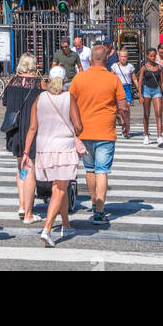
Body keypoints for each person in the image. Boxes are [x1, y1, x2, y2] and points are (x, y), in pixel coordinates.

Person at [69, 43, 129, 224]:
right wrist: (126, 123)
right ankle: (100, 212)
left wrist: (75, 125)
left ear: (89, 59)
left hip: (84, 131)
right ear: (105, 59)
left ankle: (95, 203)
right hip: (105, 131)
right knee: (102, 171)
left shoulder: (79, 79)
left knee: (90, 169)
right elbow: (123, 107)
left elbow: (70, 101)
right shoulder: (113, 79)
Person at [22, 73, 82, 246]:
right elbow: (78, 126)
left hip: (43, 148)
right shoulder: (68, 97)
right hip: (63, 148)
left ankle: (66, 224)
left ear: (48, 80)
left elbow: (32, 128)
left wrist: (26, 152)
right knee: (60, 188)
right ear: (64, 81)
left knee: (59, 186)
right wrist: (75, 132)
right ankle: (47, 229)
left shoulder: (40, 98)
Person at [1, 53, 43, 223]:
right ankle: (28, 213)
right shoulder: (40, 83)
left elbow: (5, 103)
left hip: (15, 128)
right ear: (33, 65)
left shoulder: (12, 82)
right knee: (30, 167)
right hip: (32, 128)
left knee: (21, 167)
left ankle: (21, 204)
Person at [137, 47, 163, 146]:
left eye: (154, 56)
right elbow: (140, 82)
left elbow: (162, 82)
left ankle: (159, 137)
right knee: (146, 114)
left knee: (158, 113)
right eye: (151, 56)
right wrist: (140, 95)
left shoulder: (159, 67)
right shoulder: (144, 68)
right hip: (146, 90)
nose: (153, 58)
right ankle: (146, 135)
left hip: (157, 90)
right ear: (147, 56)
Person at [111, 47, 135, 136]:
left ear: (127, 57)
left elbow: (134, 79)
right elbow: (111, 77)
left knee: (126, 109)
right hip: (118, 88)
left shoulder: (130, 67)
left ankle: (127, 126)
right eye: (122, 56)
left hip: (127, 87)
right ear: (119, 57)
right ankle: (124, 126)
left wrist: (139, 91)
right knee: (120, 109)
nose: (123, 58)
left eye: (125, 56)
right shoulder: (114, 66)